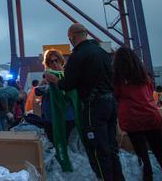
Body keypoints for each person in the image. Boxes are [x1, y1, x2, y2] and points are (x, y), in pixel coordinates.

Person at [45, 23, 124, 181]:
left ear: (72, 37)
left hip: (93, 106)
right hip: (110, 104)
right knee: (111, 147)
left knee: (97, 148)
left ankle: (105, 178)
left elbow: (69, 84)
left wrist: (55, 81)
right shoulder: (102, 53)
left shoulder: (78, 55)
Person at [113, 46, 162, 181]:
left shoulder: (118, 79)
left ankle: (148, 175)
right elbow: (150, 92)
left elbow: (116, 95)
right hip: (151, 116)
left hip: (132, 119)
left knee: (142, 154)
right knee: (159, 150)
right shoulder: (144, 76)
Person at [35, 50, 75, 144]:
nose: (54, 63)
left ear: (61, 61)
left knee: (67, 145)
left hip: (67, 116)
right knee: (54, 145)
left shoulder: (68, 75)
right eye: (50, 61)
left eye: (56, 60)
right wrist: (44, 83)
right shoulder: (47, 77)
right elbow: (38, 92)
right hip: (51, 117)